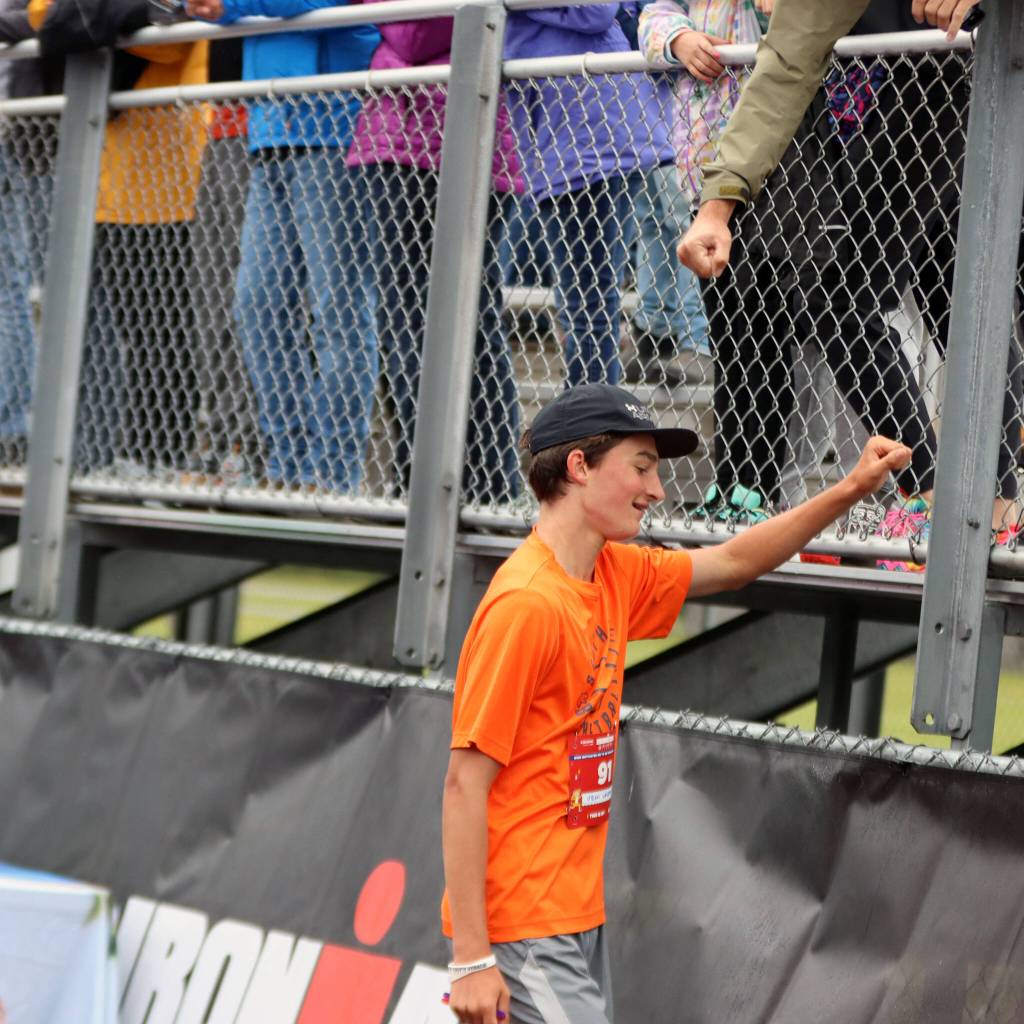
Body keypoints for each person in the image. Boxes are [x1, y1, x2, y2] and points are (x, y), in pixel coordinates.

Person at [441, 382, 910, 1024]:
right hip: (522, 925)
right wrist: (472, 956)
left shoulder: (612, 573)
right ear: (579, 467)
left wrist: (850, 489)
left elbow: (732, 563)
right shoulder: (527, 605)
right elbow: (466, 784)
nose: (658, 490)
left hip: (572, 914)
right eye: (641, 467)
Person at [186, 0, 379, 495]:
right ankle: (288, 468)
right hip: (270, 131)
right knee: (258, 308)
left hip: (331, 124)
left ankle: (332, 474)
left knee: (339, 308)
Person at [345, 2, 523, 504]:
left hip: (450, 136)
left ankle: (485, 482)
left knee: (466, 319)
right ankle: (423, 477)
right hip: (397, 138)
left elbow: (412, 31)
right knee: (405, 324)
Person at [675, 0, 981, 278]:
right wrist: (715, 207)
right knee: (839, 296)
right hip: (902, 104)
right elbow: (786, 65)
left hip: (972, 96)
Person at [503, 4, 671, 386]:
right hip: (570, 128)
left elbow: (596, 8)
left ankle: (588, 430)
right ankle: (586, 423)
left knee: (589, 306)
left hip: (591, 129)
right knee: (585, 304)